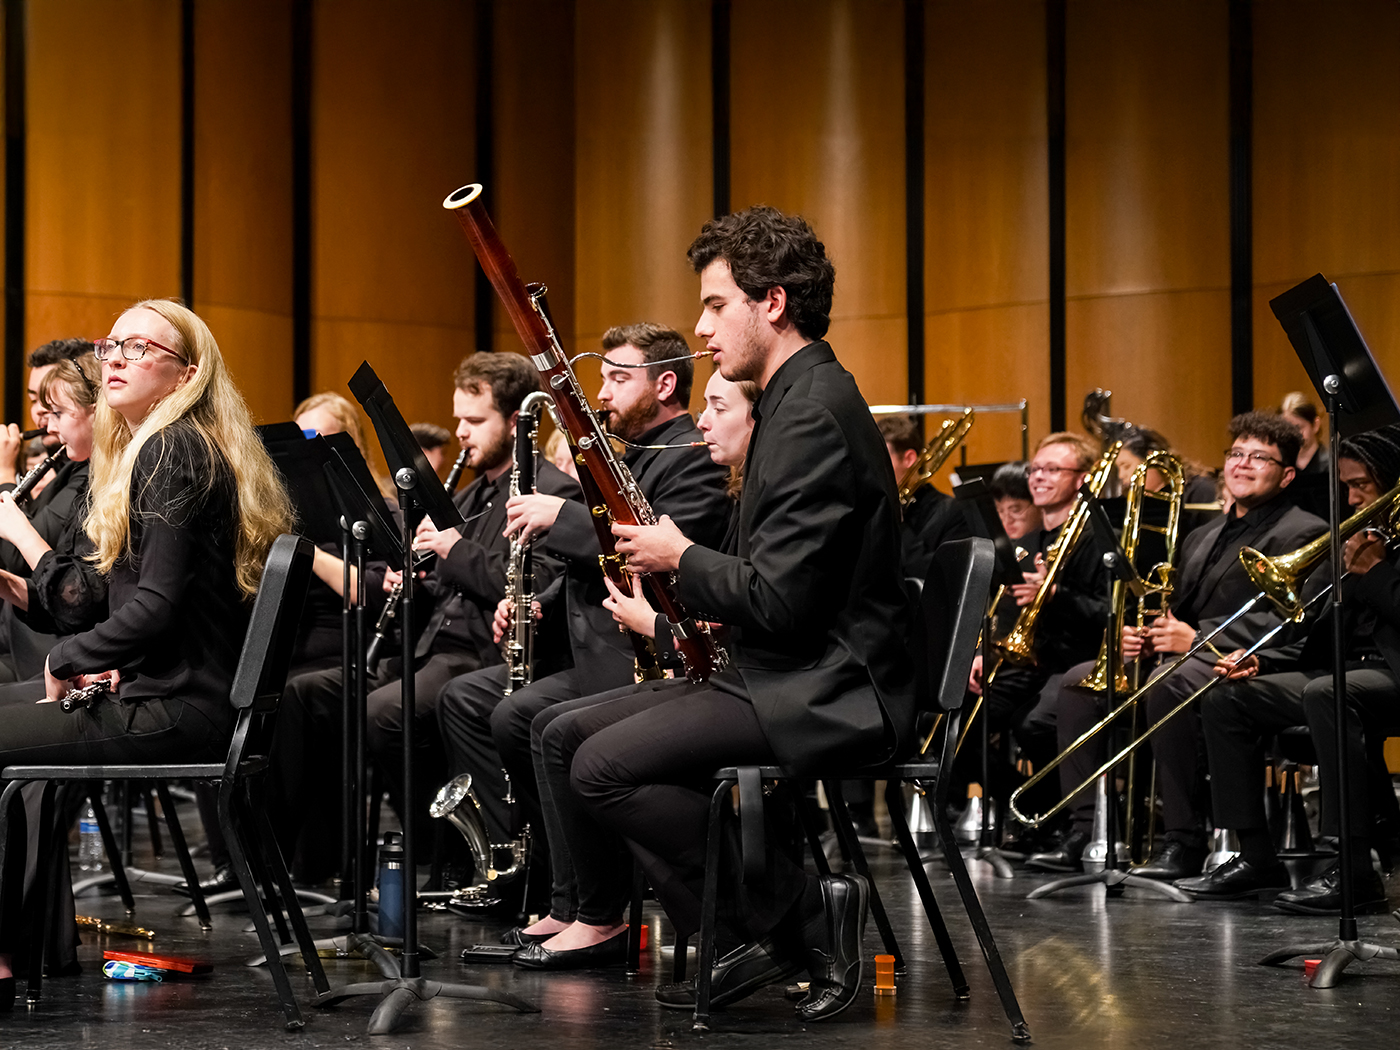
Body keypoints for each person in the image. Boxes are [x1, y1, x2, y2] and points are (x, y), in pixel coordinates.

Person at [538, 205, 913, 1021]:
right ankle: (736, 934)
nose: (702, 327)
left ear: (770, 302)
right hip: (782, 665)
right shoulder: (790, 397)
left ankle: (801, 916)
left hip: (826, 683)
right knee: (564, 733)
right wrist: (684, 613)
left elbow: (779, 598)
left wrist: (680, 559)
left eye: (715, 305)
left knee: (602, 767)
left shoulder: (809, 410)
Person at [0, 299, 294, 1001]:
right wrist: (42, 592)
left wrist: (64, 660)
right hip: (174, 694)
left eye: (140, 347)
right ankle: (12, 950)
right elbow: (112, 596)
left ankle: (7, 957)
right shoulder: (167, 447)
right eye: (113, 346)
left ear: (185, 374)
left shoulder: (171, 448)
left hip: (179, 707)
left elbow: (154, 610)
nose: (118, 358)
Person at [434, 324, 729, 897]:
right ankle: (551, 883)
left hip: (641, 652)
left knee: (523, 717)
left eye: (618, 379)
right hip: (597, 643)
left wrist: (559, 515)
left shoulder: (693, 459)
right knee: (491, 707)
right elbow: (585, 569)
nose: (602, 394)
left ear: (665, 384)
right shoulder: (635, 459)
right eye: (603, 379)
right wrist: (535, 608)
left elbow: (656, 548)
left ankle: (583, 896)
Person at [273, 353, 577, 876]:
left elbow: (535, 585)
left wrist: (453, 551)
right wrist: (409, 577)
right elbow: (445, 580)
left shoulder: (552, 491)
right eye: (458, 419)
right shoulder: (468, 494)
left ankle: (445, 852)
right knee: (307, 694)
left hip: (482, 652)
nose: (461, 432)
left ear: (514, 422)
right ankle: (297, 858)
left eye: (474, 421)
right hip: (428, 649)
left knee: (385, 712)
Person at [508, 371, 757, 969]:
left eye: (718, 407)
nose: (702, 420)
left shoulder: (694, 465)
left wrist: (664, 625)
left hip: (750, 682)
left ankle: (759, 912)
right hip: (705, 660)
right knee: (547, 729)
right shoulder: (717, 473)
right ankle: (591, 908)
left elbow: (750, 594)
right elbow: (738, 599)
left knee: (582, 749)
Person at [1028, 412, 1327, 877]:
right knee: (1076, 685)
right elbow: (1178, 611)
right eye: (1236, 454)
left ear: (1287, 474)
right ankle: (1088, 831)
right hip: (1185, 658)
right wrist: (1146, 636)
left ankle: (1183, 841)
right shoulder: (1203, 536)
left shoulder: (1303, 531)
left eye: (1260, 457)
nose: (1242, 464)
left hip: (1244, 662)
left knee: (1171, 680)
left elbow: (1294, 622)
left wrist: (1198, 639)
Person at [1177, 425, 1400, 909]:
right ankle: (1256, 857)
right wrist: (1260, 659)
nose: (1352, 496)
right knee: (1226, 698)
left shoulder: (1385, 545)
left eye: (1362, 485)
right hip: (1346, 667)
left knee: (1329, 693)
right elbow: (1321, 634)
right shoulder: (1363, 535)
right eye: (1346, 485)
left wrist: (1377, 572)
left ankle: (1355, 872)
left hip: (1391, 671)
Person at [965, 432, 1111, 845]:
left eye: (1053, 470)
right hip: (1031, 662)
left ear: (1081, 480)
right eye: (1036, 469)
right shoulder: (1024, 546)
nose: (1039, 477)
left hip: (1075, 662)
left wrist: (1055, 595)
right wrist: (982, 652)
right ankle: (1034, 803)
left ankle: (1048, 813)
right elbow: (1003, 611)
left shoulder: (1097, 541)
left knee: (1030, 723)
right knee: (949, 723)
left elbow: (1107, 613)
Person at [0, 355, 103, 689]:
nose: (45, 422)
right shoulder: (79, 469)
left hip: (60, 653)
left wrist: (4, 477)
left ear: (98, 409)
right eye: (36, 402)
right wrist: (6, 584)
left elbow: (83, 603)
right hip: (64, 646)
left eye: (56, 410)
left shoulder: (96, 476)